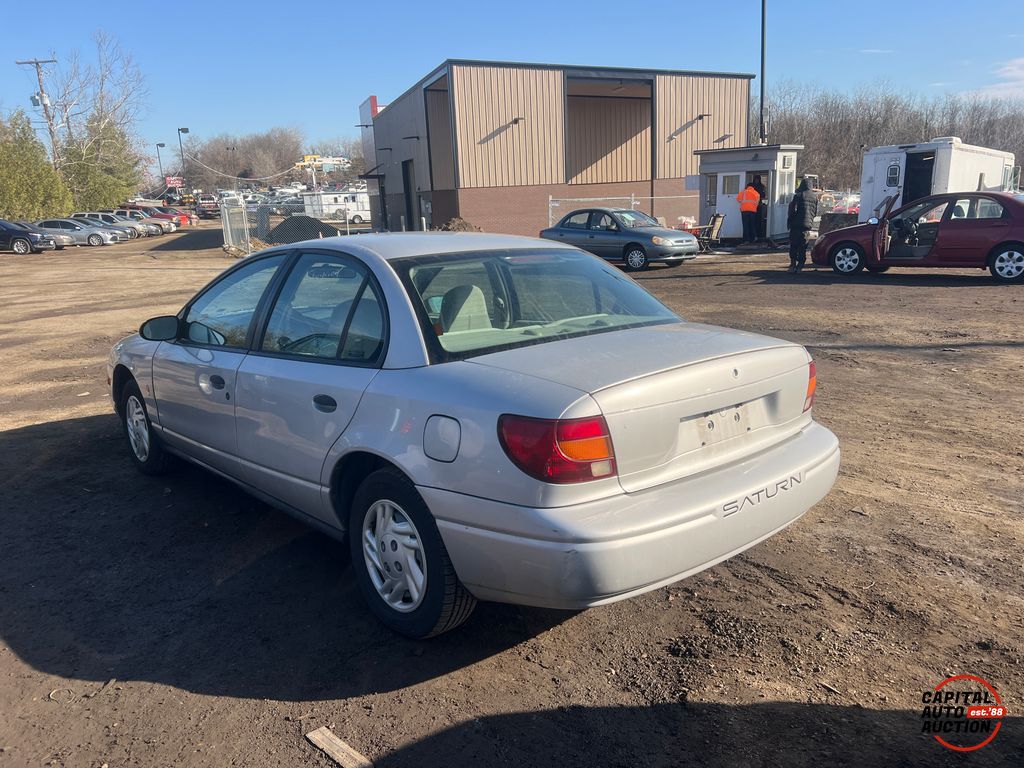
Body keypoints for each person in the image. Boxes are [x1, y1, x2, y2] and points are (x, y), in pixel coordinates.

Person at [787, 177, 819, 273]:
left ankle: (792, 265)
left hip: (796, 224)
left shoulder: (799, 195)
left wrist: (790, 220)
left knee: (794, 245)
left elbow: (793, 210)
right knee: (803, 246)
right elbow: (815, 212)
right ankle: (800, 265)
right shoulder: (815, 197)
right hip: (807, 226)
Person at [750, 175, 767, 242]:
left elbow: (763, 195)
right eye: (755, 179)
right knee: (754, 221)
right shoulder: (753, 187)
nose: (756, 181)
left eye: (757, 179)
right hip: (753, 206)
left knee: (758, 220)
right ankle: (755, 234)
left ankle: (758, 234)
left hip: (758, 205)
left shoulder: (760, 187)